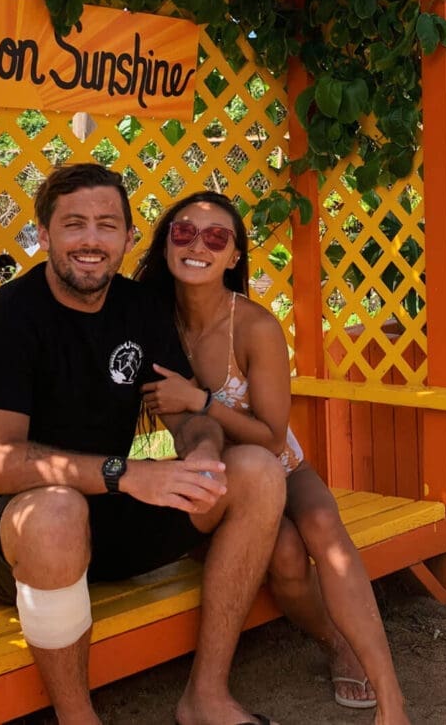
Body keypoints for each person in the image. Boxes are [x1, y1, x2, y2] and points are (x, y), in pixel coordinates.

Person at [0, 164, 286, 725]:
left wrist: (201, 451)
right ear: (45, 233)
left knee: (252, 471)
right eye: (74, 224)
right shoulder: (10, 317)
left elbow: (187, 412)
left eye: (106, 225)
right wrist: (126, 474)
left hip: (107, 520)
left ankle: (206, 697)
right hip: (5, 537)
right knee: (57, 511)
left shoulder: (139, 308)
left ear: (127, 238)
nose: (90, 241)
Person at [135, 191, 412, 725]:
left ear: (235, 256)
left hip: (279, 461)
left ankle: (392, 702)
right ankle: (336, 645)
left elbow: (271, 436)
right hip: (222, 486)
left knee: (323, 528)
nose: (199, 245)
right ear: (166, 241)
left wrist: (201, 400)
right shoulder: (151, 324)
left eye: (217, 237)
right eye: (184, 232)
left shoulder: (257, 326)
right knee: (285, 557)